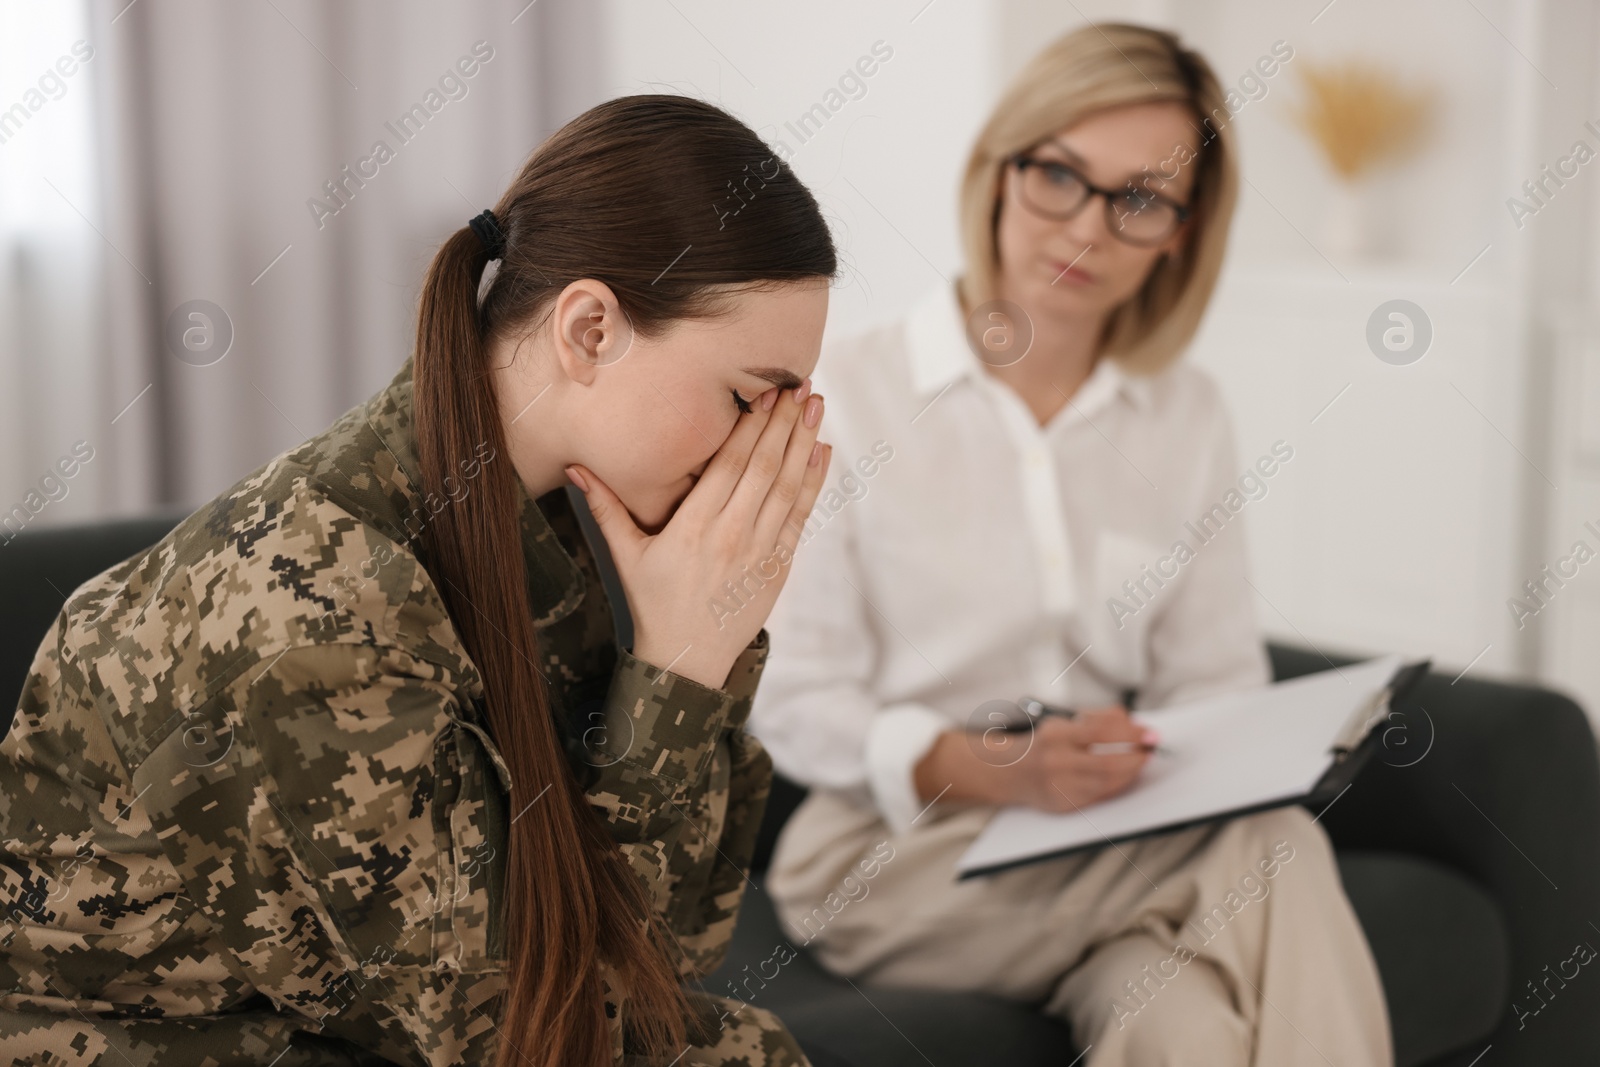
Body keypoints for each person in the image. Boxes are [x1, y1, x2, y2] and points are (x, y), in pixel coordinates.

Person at [0, 95, 840, 1067]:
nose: (766, 453)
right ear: (591, 330)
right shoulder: (319, 599)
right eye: (747, 397)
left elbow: (667, 951)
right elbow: (519, 1037)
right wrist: (680, 671)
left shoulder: (574, 517)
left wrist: (698, 649)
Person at [748, 24, 1393, 1067]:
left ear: (1180, 230)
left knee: (1183, 1024)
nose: (1086, 228)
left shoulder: (1184, 415)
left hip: (1112, 833)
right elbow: (791, 696)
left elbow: (1212, 676)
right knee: (1273, 849)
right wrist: (978, 762)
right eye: (1059, 175)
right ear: (1000, 173)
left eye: (1139, 196)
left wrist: (1167, 757)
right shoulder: (853, 395)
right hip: (889, 854)